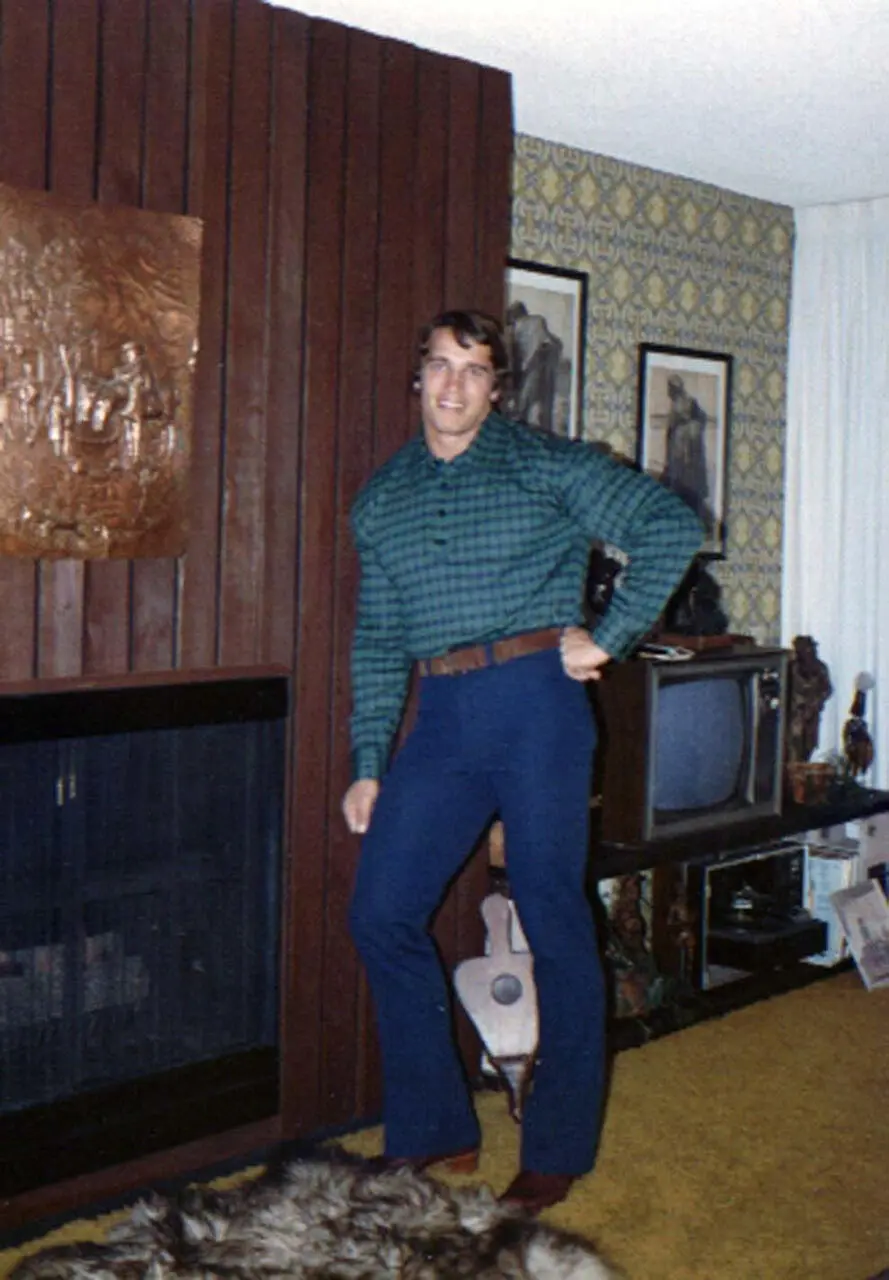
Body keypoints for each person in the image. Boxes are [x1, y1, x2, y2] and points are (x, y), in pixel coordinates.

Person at [342, 310, 702, 1214]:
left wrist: (609, 637)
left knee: (550, 913)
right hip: (444, 717)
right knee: (380, 911)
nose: (453, 385)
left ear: (496, 389)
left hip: (538, 705)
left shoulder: (545, 465)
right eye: (439, 366)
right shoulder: (380, 501)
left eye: (473, 371)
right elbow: (379, 637)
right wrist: (369, 761)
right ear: (417, 377)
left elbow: (668, 524)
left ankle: (556, 1147)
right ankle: (435, 1128)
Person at [505, 300, 563, 433]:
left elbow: (528, 352)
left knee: (527, 402)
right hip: (539, 361)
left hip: (537, 361)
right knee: (540, 403)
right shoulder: (535, 322)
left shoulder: (527, 324)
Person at [661, 372, 710, 527]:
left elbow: (701, 419)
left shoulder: (689, 402)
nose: (669, 392)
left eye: (671, 388)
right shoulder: (674, 404)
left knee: (690, 487)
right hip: (676, 454)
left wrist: (688, 426)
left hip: (689, 455)